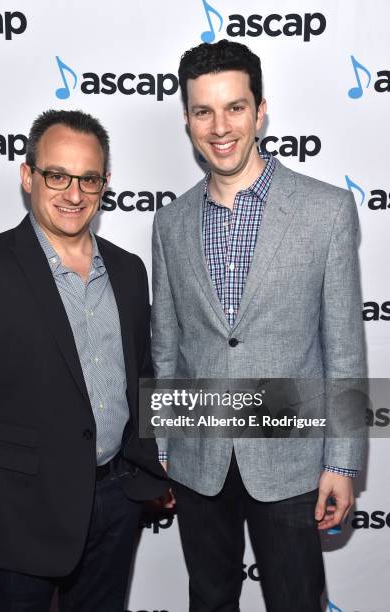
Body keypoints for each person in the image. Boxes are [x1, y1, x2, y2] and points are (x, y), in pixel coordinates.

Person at [151, 40, 366, 611]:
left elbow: (343, 349)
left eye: (235, 107)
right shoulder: (169, 223)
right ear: (188, 119)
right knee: (210, 600)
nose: (220, 127)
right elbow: (167, 346)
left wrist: (342, 462)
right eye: (203, 111)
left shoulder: (327, 210)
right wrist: (165, 449)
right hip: (200, 461)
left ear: (260, 110)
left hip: (293, 462)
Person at [0, 109, 167, 612]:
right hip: (14, 520)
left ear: (105, 184)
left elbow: (141, 379)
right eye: (57, 175)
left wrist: (152, 470)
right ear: (27, 176)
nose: (73, 194)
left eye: (89, 179)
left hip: (116, 504)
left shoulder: (127, 270)